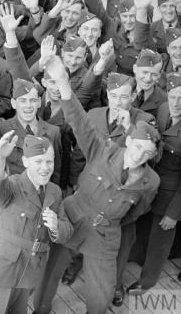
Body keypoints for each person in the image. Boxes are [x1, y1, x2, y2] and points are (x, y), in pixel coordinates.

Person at [34, 55, 161, 314]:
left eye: (146, 152)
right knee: (51, 270)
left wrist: (111, 220)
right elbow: (79, 120)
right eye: (136, 147)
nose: (139, 155)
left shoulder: (150, 181)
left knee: (101, 291)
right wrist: (61, 80)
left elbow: (137, 210)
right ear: (128, 142)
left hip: (105, 234)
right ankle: (40, 308)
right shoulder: (102, 150)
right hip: (73, 215)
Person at [0, 133, 69, 314]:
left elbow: (66, 228)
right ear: (25, 162)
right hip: (2, 267)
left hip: (30, 268)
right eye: (38, 161)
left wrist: (57, 227)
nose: (45, 168)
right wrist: (0, 159)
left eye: (49, 162)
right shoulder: (13, 184)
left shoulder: (54, 191)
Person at [126, 72, 181, 295]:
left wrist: (174, 213)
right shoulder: (163, 110)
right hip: (150, 184)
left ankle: (147, 280)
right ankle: (138, 259)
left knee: (161, 238)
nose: (177, 103)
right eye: (173, 97)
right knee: (144, 226)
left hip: (171, 194)